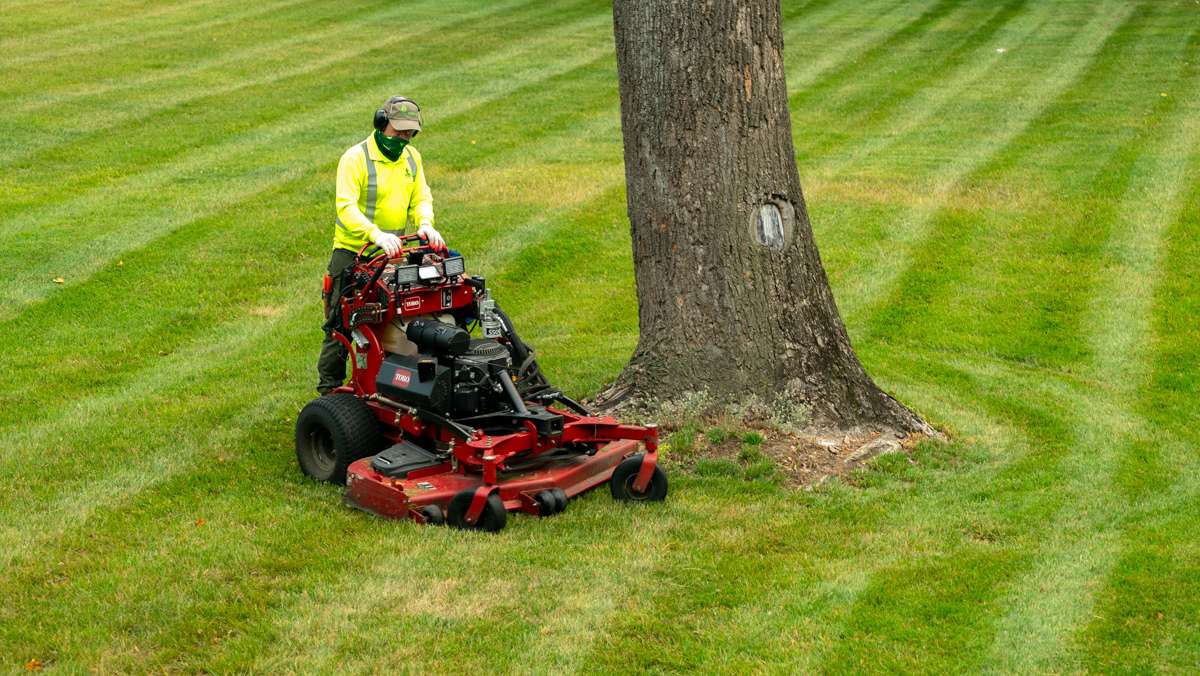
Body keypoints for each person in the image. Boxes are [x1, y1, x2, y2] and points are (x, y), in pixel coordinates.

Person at [317, 95, 445, 394]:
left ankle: (396, 380)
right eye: (398, 131)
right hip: (354, 253)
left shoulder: (412, 158)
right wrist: (374, 234)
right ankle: (329, 391)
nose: (403, 138)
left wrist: (425, 223)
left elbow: (420, 196)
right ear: (380, 123)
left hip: (394, 254)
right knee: (341, 323)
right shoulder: (355, 158)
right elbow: (346, 207)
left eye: (408, 133)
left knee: (403, 314)